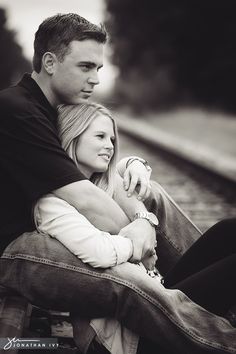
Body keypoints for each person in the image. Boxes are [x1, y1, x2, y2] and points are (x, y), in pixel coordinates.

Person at [0, 13, 235, 354]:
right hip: (15, 243)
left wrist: (131, 166)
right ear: (50, 62)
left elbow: (85, 166)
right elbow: (82, 194)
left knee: (150, 196)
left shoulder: (54, 108)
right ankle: (219, 338)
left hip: (56, 219)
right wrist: (140, 230)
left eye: (99, 68)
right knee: (125, 282)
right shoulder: (17, 108)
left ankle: (193, 296)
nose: (96, 78)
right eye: (86, 67)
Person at [35, 101, 236, 353]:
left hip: (154, 296)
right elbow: (98, 252)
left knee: (228, 230)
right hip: (131, 334)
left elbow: (124, 167)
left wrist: (135, 165)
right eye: (99, 136)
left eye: (112, 139)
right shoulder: (53, 203)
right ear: (72, 136)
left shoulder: (100, 185)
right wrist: (138, 243)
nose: (109, 145)